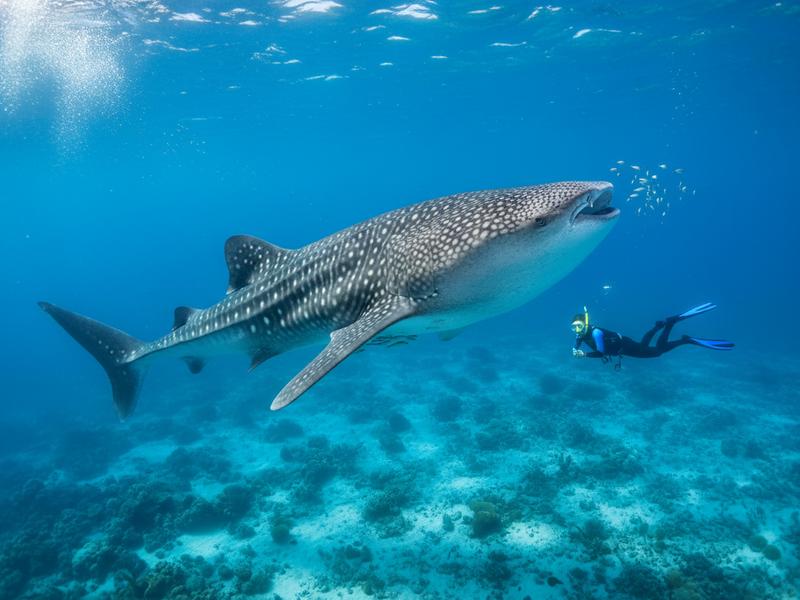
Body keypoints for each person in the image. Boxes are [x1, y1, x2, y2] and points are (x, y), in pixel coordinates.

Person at [571, 303, 734, 368]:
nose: (577, 330)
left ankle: (679, 334)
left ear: (585, 324)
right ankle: (658, 327)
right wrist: (575, 348)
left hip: (624, 347)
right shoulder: (582, 334)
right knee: (644, 346)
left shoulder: (596, 333)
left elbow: (601, 352)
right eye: (574, 327)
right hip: (624, 344)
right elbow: (578, 341)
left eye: (578, 326)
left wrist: (584, 354)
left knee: (657, 352)